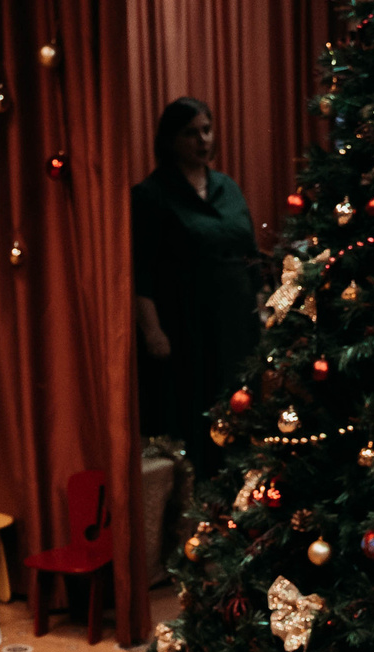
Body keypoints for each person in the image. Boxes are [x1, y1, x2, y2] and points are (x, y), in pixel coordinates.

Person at [133, 97, 261, 459]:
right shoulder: (150, 196)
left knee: (240, 409)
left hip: (237, 323)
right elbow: (139, 271)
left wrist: (261, 308)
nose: (202, 140)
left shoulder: (227, 187)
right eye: (191, 133)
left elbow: (250, 252)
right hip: (187, 325)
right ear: (171, 139)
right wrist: (152, 331)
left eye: (206, 130)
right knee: (199, 417)